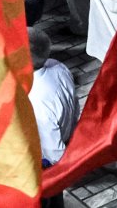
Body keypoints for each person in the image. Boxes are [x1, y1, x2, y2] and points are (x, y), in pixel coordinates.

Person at [28, 27, 80, 176]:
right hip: (68, 130)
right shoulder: (56, 65)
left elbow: (53, 151)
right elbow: (75, 102)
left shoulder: (36, 100)